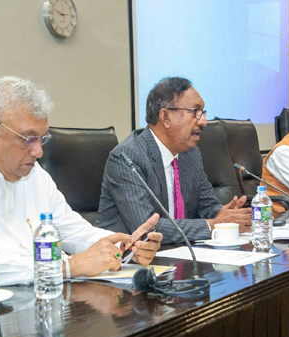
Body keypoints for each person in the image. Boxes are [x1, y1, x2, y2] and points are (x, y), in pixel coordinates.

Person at [0, 76, 163, 301]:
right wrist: (65, 267)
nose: (39, 151)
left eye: (42, 138)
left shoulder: (33, 174)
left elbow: (73, 230)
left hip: (22, 298)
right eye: (28, 139)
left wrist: (124, 246)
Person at [95, 77, 251, 244]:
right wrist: (213, 225)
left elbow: (207, 207)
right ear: (165, 117)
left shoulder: (190, 153)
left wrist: (227, 215)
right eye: (195, 112)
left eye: (203, 112)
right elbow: (147, 228)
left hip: (179, 252)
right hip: (125, 256)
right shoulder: (127, 157)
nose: (203, 121)